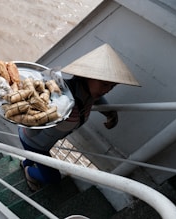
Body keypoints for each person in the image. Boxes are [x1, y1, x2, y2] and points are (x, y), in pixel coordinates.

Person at [18, 44, 140, 191]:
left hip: (48, 141)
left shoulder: (90, 94)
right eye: (104, 84)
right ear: (86, 77)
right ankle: (29, 172)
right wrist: (37, 114)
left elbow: (97, 100)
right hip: (33, 141)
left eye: (112, 86)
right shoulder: (59, 95)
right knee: (53, 178)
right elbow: (30, 121)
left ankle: (26, 163)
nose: (107, 90)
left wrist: (111, 114)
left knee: (33, 158)